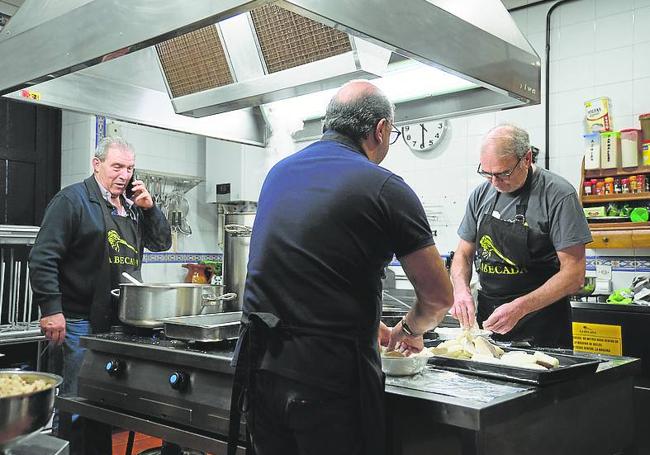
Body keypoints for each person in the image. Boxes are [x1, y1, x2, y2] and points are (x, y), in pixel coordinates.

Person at [229, 80, 453, 455]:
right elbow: (438, 297)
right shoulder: (385, 187)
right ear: (380, 130)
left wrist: (368, 323)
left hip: (262, 369)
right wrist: (408, 330)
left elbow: (305, 271)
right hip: (326, 381)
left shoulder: (278, 174)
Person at [29, 137, 172, 455]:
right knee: (79, 403)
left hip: (121, 322)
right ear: (97, 164)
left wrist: (150, 209)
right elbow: (43, 257)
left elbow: (162, 243)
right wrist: (51, 308)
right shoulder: (72, 201)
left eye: (130, 168)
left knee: (106, 405)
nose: (124, 174)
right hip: (80, 320)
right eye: (117, 166)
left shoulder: (134, 210)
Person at [450, 124, 592, 348]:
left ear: (526, 158)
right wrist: (461, 291)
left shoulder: (558, 195)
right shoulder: (481, 194)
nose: (495, 183)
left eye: (503, 173)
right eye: (487, 174)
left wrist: (520, 308)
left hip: (542, 329)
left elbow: (574, 274)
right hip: (488, 325)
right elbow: (463, 255)